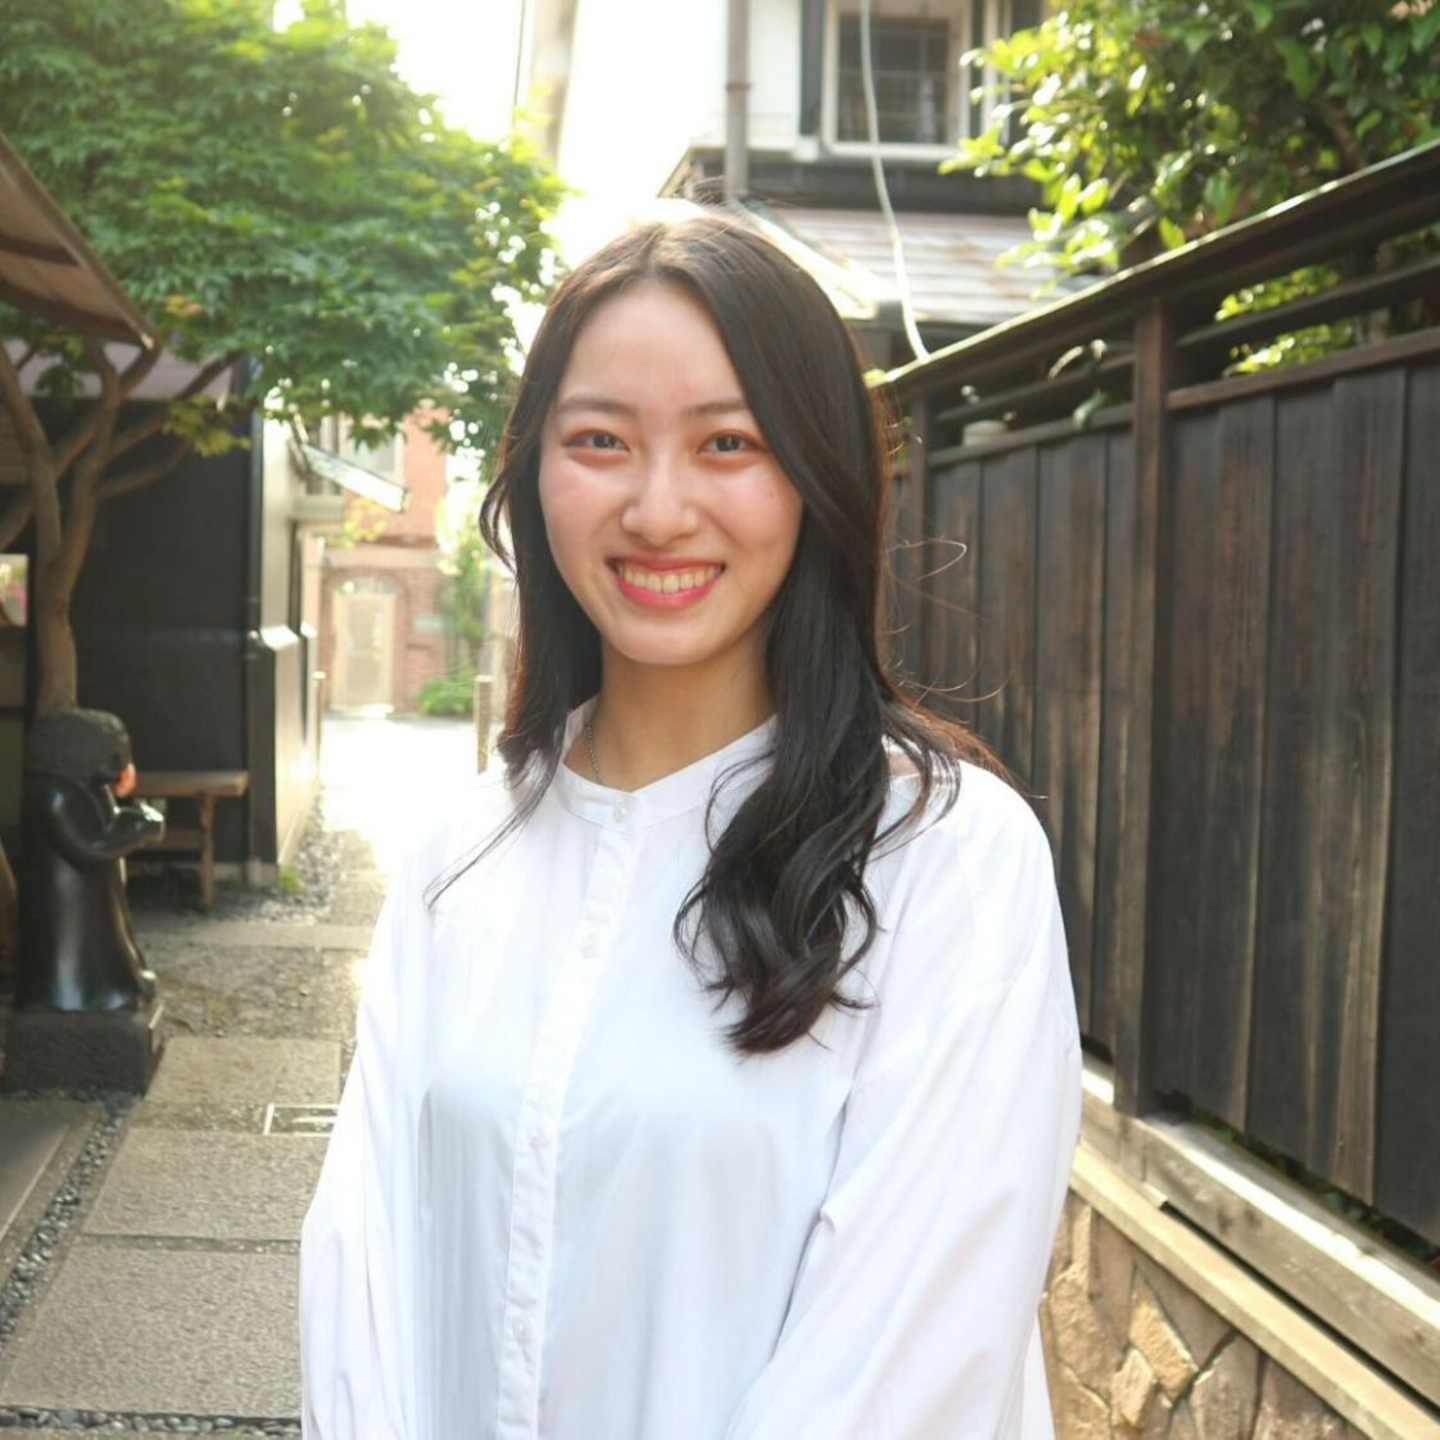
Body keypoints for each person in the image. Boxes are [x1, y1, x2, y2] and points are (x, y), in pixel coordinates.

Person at [299, 214, 1083, 1440]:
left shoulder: (945, 861)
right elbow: (367, 1277)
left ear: (817, 475)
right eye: (600, 441)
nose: (658, 510)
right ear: (534, 474)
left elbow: (906, 1364)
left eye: (729, 443)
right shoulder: (466, 852)